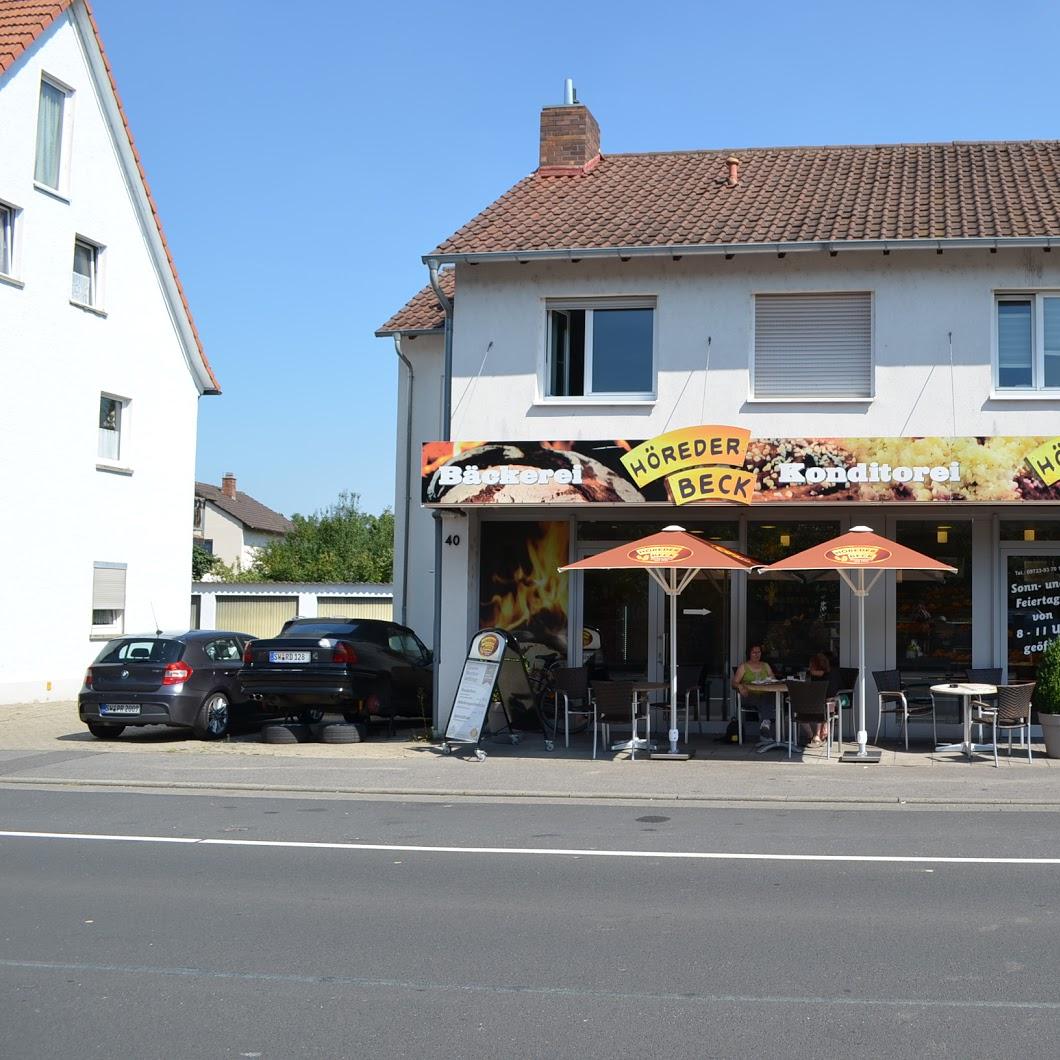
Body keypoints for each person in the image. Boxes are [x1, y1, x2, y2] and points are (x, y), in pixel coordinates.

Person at [732, 644, 776, 742]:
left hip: (764, 694)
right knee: (764, 700)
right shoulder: (744, 666)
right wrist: (740, 686)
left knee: (769, 696)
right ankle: (766, 726)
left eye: (758, 652)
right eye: (754, 652)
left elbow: (773, 680)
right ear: (749, 654)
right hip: (749, 695)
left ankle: (765, 726)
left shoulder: (765, 665)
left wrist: (769, 680)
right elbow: (734, 683)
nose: (756, 654)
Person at [806, 653, 841, 745]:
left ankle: (814, 735)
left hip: (824, 705)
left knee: (823, 704)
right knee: (823, 704)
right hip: (826, 706)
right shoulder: (831, 673)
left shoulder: (825, 676)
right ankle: (817, 733)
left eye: (811, 665)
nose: (809, 667)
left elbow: (830, 695)